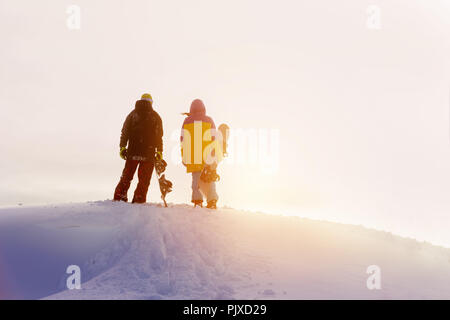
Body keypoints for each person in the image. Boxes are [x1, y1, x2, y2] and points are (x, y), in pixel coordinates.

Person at [113, 93, 163, 203]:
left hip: (132, 152)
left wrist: (122, 147)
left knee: (126, 177)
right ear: (151, 102)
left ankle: (119, 198)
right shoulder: (156, 117)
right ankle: (138, 200)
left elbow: (124, 132)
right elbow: (158, 136)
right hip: (148, 154)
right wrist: (159, 151)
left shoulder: (132, 115)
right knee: (144, 181)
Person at [181, 99, 222, 209]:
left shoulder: (187, 121)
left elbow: (183, 140)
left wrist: (184, 156)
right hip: (207, 155)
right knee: (210, 178)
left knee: (196, 179)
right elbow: (214, 137)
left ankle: (197, 200)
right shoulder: (209, 120)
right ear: (204, 109)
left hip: (193, 156)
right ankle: (212, 200)